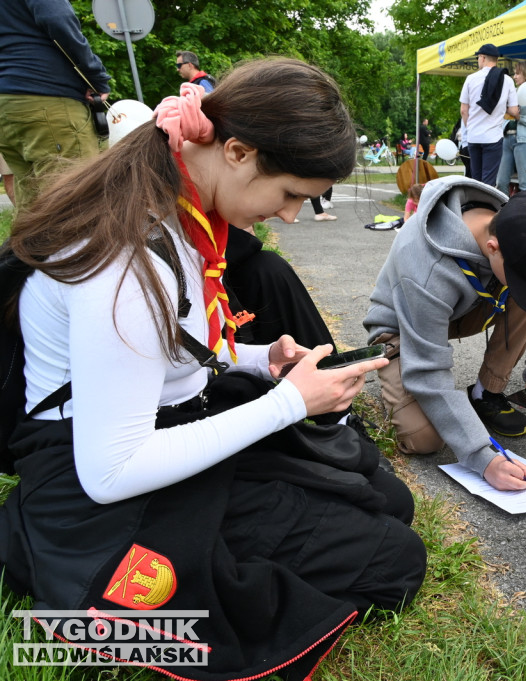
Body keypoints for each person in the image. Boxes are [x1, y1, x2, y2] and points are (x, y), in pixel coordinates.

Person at [0, 58, 426, 680]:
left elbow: (167, 357)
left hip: (167, 429)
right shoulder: (124, 259)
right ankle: (65, 573)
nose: (287, 217)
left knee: (385, 496)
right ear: (235, 150)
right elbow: (110, 472)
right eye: (290, 195)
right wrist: (286, 404)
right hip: (99, 489)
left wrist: (261, 359)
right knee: (395, 561)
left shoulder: (175, 209)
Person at [364, 177, 526, 492]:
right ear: (492, 248)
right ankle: (395, 383)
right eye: (521, 278)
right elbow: (429, 372)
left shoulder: (524, 233)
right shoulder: (426, 265)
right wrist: (482, 458)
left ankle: (486, 393)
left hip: (465, 308)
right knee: (424, 438)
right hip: (403, 328)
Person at [0, 0, 110, 209]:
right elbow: (57, 17)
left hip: (7, 105)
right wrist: (94, 76)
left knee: (33, 209)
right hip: (47, 99)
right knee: (79, 204)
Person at [460, 44, 519, 186]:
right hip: (493, 137)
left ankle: (475, 205)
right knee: (488, 181)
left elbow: (463, 110)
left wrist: (470, 127)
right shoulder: (507, 80)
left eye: (478, 57)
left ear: (483, 57)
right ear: (496, 60)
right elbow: (513, 110)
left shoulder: (470, 78)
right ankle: (486, 207)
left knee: (476, 178)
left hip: (474, 136)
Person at [496, 61, 526, 196]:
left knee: (524, 183)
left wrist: (519, 117)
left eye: (518, 73)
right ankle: (505, 211)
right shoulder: (512, 93)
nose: (514, 77)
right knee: (501, 181)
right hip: (507, 139)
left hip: (525, 141)